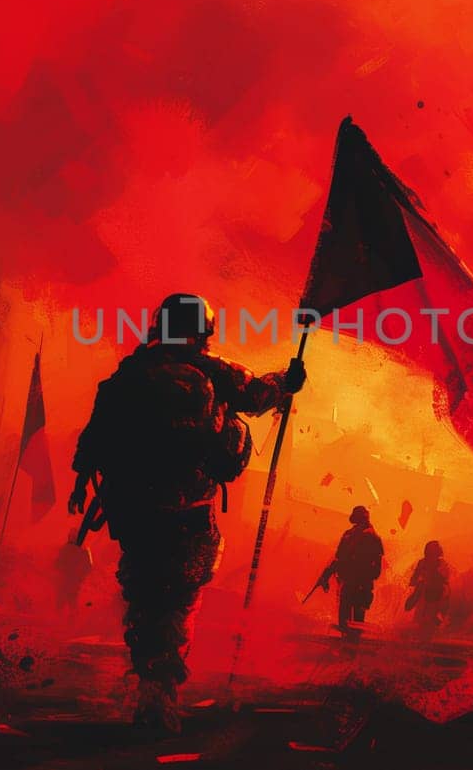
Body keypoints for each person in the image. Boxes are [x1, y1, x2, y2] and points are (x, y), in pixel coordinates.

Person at [69, 293, 304, 733]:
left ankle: (148, 684)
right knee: (180, 597)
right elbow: (257, 396)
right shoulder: (216, 371)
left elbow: (99, 430)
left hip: (137, 507)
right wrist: (287, 380)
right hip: (192, 507)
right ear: (204, 329)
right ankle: (162, 692)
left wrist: (82, 481)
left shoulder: (133, 372)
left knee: (144, 595)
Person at [319, 505, 385, 640]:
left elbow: (376, 568)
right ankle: (347, 648)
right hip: (351, 583)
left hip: (360, 584)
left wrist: (362, 577)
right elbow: (339, 558)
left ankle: (351, 650)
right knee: (346, 620)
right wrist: (327, 575)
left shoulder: (370, 536)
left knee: (356, 622)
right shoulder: (351, 535)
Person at [406, 540, 451, 634]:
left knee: (430, 615)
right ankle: (431, 627)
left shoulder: (441, 563)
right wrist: (415, 584)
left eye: (434, 551)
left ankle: (436, 625)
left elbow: (445, 578)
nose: (432, 554)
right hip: (426, 591)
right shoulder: (423, 562)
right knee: (424, 615)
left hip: (437, 591)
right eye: (431, 551)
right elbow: (414, 577)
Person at [54, 529, 94, 611]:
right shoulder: (81, 551)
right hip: (70, 581)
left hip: (69, 581)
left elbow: (57, 564)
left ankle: (63, 620)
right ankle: (64, 620)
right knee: (68, 603)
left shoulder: (68, 549)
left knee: (65, 603)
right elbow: (88, 567)